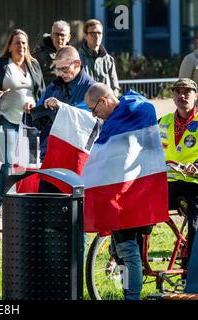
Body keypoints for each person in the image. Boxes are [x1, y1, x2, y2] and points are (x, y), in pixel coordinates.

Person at [81, 83, 168, 300]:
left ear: (103, 101)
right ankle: (130, 294)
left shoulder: (135, 111)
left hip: (130, 195)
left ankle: (132, 297)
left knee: (129, 252)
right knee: (126, 251)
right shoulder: (134, 111)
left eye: (94, 110)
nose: (95, 116)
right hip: (129, 194)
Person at [0, 29, 45, 213]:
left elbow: (41, 90)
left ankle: (24, 199)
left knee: (27, 162)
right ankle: (2, 202)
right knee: (7, 162)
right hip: (6, 118)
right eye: (17, 43)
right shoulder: (0, 65)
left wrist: (36, 104)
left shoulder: (34, 64)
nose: (20, 46)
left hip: (30, 121)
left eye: (23, 43)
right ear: (10, 45)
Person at [30, 46, 95, 169]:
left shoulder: (92, 89)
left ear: (77, 64)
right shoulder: (53, 87)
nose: (60, 74)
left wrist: (62, 108)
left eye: (64, 69)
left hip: (77, 159)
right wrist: (33, 110)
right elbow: (38, 119)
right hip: (50, 156)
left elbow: (92, 123)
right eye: (58, 69)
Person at [158, 78, 198, 267]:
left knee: (195, 226)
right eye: (178, 92)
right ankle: (133, 258)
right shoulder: (163, 122)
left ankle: (192, 273)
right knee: (140, 210)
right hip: (169, 182)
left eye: (187, 92)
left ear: (195, 96)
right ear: (172, 96)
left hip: (194, 183)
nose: (182, 95)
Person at [78, 19, 119, 96]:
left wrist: (110, 100)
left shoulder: (109, 60)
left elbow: (115, 87)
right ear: (85, 35)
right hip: (84, 105)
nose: (97, 36)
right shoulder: (77, 58)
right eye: (93, 33)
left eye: (99, 33)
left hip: (106, 104)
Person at [33, 20, 71, 86]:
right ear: (51, 35)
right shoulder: (39, 56)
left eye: (62, 35)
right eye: (56, 34)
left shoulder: (72, 55)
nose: (59, 38)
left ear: (68, 37)